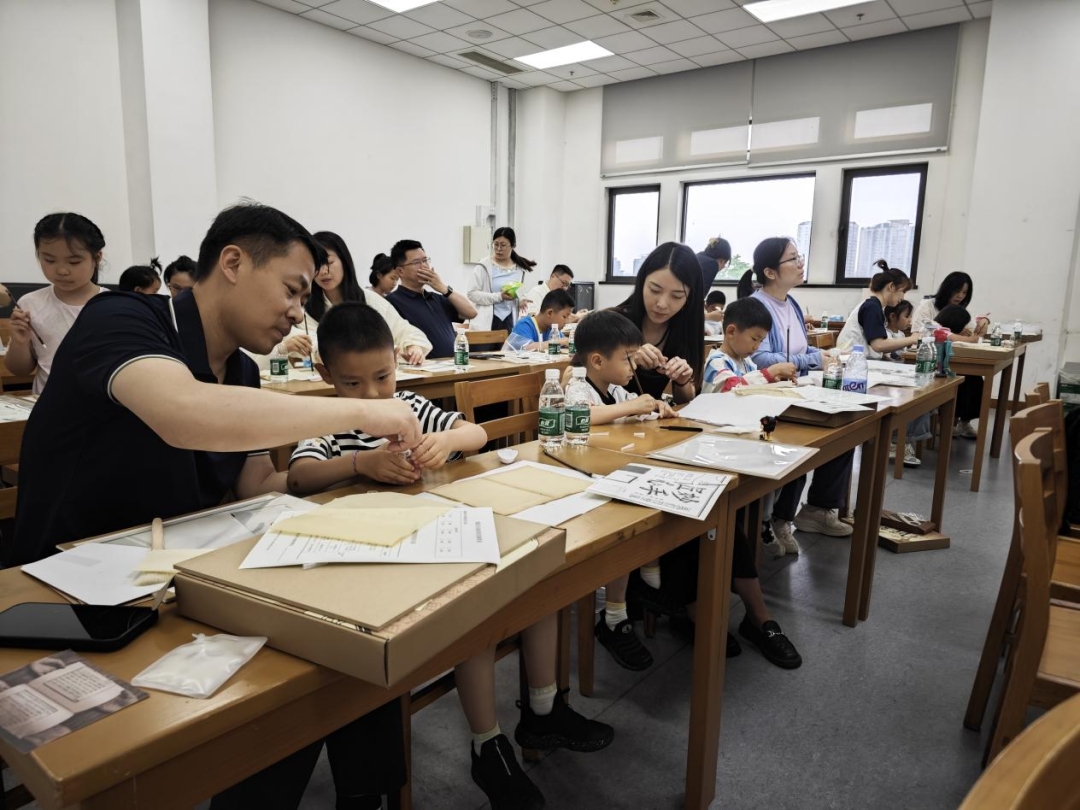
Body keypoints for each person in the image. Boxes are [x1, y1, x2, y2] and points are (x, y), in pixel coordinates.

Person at [8, 202, 423, 809]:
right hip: (71, 595)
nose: (297, 311)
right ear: (232, 262)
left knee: (351, 641)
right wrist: (364, 411)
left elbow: (256, 484)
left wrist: (352, 479)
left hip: (174, 583)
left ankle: (365, 794)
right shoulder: (123, 318)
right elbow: (183, 413)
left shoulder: (243, 374)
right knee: (289, 690)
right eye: (291, 289)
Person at [288, 303, 614, 810]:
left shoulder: (408, 407)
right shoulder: (325, 421)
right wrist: (359, 462)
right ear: (326, 375)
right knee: (472, 604)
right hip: (372, 557)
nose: (373, 395)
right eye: (353, 384)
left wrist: (442, 442)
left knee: (535, 571)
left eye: (383, 377)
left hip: (435, 529)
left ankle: (544, 707)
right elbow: (299, 477)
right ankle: (488, 743)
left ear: (397, 362)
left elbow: (476, 434)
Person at [568, 311, 676, 671]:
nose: (634, 366)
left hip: (609, 472)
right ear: (597, 361)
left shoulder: (615, 389)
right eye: (628, 358)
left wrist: (655, 406)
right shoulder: (577, 386)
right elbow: (577, 416)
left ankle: (646, 587)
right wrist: (630, 407)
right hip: (577, 481)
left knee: (651, 497)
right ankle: (615, 615)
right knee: (625, 514)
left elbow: (632, 411)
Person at [745, 237, 855, 553]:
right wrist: (813, 359)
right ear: (770, 272)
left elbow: (801, 349)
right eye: (792, 259)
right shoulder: (757, 306)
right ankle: (780, 519)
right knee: (801, 441)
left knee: (845, 426)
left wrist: (823, 355)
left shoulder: (791, 302)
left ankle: (819, 509)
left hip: (800, 389)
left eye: (799, 256)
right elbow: (761, 359)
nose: (800, 263)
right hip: (771, 395)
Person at [264, 232, 430, 368]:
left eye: (329, 262)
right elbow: (299, 340)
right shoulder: (303, 306)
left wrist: (414, 347)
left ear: (344, 261)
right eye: (317, 265)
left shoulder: (368, 299)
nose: (323, 271)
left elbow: (405, 330)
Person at [7, 213, 107, 396]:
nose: (61, 270)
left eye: (74, 261)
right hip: (47, 405)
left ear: (97, 257)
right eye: (49, 260)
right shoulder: (30, 304)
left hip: (100, 405)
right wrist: (20, 342)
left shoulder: (113, 304)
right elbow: (19, 370)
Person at [612, 242, 703, 406]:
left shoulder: (684, 332)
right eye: (654, 290)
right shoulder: (613, 322)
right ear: (642, 283)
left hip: (653, 420)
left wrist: (682, 380)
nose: (662, 304)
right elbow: (572, 379)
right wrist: (627, 359)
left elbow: (685, 402)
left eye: (676, 296)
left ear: (689, 299)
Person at [911, 271, 987, 438]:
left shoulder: (961, 310)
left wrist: (984, 322)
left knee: (974, 379)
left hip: (954, 356)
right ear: (947, 289)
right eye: (957, 291)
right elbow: (927, 331)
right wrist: (960, 336)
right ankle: (941, 421)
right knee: (946, 377)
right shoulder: (928, 306)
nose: (960, 296)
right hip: (930, 356)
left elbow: (972, 332)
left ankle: (963, 422)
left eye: (965, 292)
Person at [386, 239, 477, 358]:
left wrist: (444, 288)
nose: (424, 266)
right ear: (400, 271)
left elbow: (471, 312)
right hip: (422, 366)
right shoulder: (391, 302)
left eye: (425, 260)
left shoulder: (436, 298)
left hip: (451, 364)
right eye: (416, 262)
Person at [702, 298, 796, 393]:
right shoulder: (716, 363)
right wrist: (770, 373)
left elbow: (751, 387)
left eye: (761, 341)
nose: (757, 347)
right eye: (754, 339)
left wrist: (773, 381)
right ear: (731, 331)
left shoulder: (746, 361)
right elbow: (733, 391)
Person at [836, 261, 920, 359]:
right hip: (850, 361)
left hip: (858, 359)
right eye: (903, 291)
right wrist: (912, 339)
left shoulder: (875, 306)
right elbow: (879, 345)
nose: (903, 298)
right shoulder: (872, 307)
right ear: (891, 286)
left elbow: (876, 346)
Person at [467, 227, 535, 334]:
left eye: (503, 245)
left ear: (512, 246)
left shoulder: (519, 269)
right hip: (486, 322)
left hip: (510, 320)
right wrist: (499, 296)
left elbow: (519, 290)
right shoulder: (483, 266)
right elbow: (472, 294)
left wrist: (522, 299)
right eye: (496, 244)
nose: (498, 249)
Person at [505, 288, 573, 352]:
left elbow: (565, 343)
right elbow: (527, 348)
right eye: (564, 317)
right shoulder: (524, 325)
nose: (566, 322)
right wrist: (559, 342)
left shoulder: (553, 330)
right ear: (549, 313)